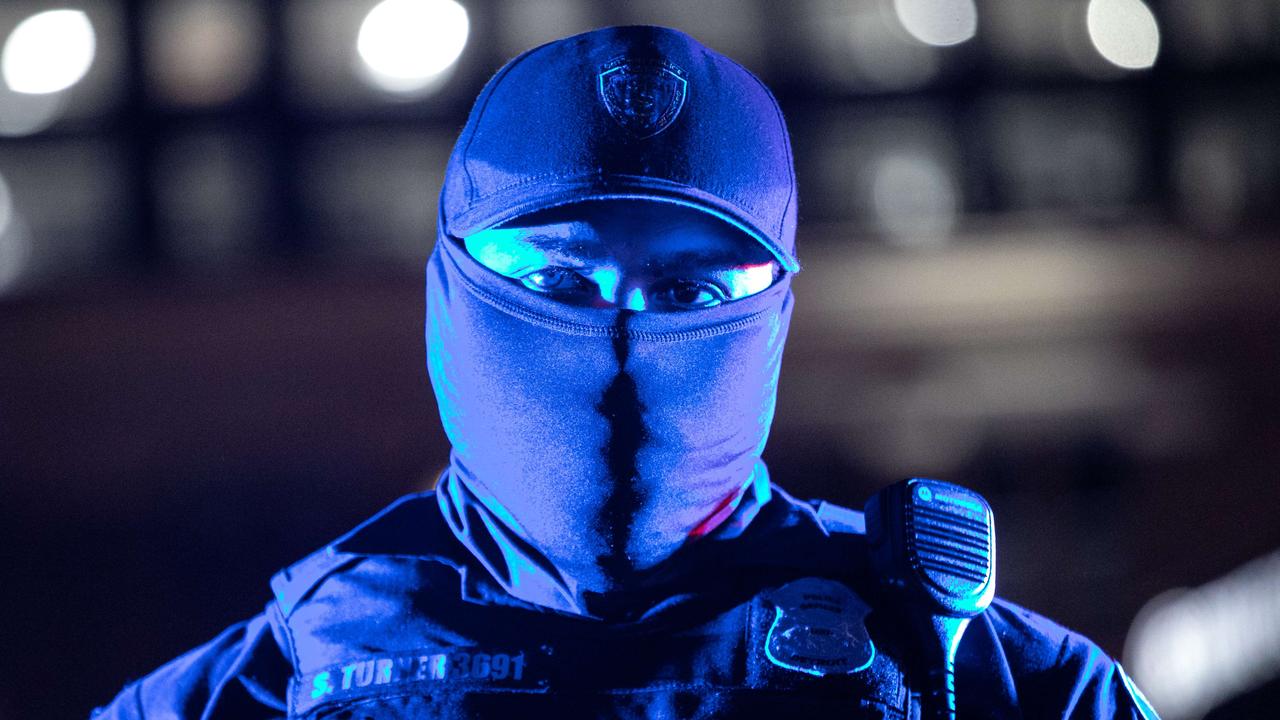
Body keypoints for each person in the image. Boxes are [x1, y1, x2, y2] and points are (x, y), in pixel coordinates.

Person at [93, 25, 1159, 719]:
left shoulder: (973, 671)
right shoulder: (280, 676)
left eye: (691, 294)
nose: (619, 335)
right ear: (453, 295)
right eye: (559, 282)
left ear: (775, 315)